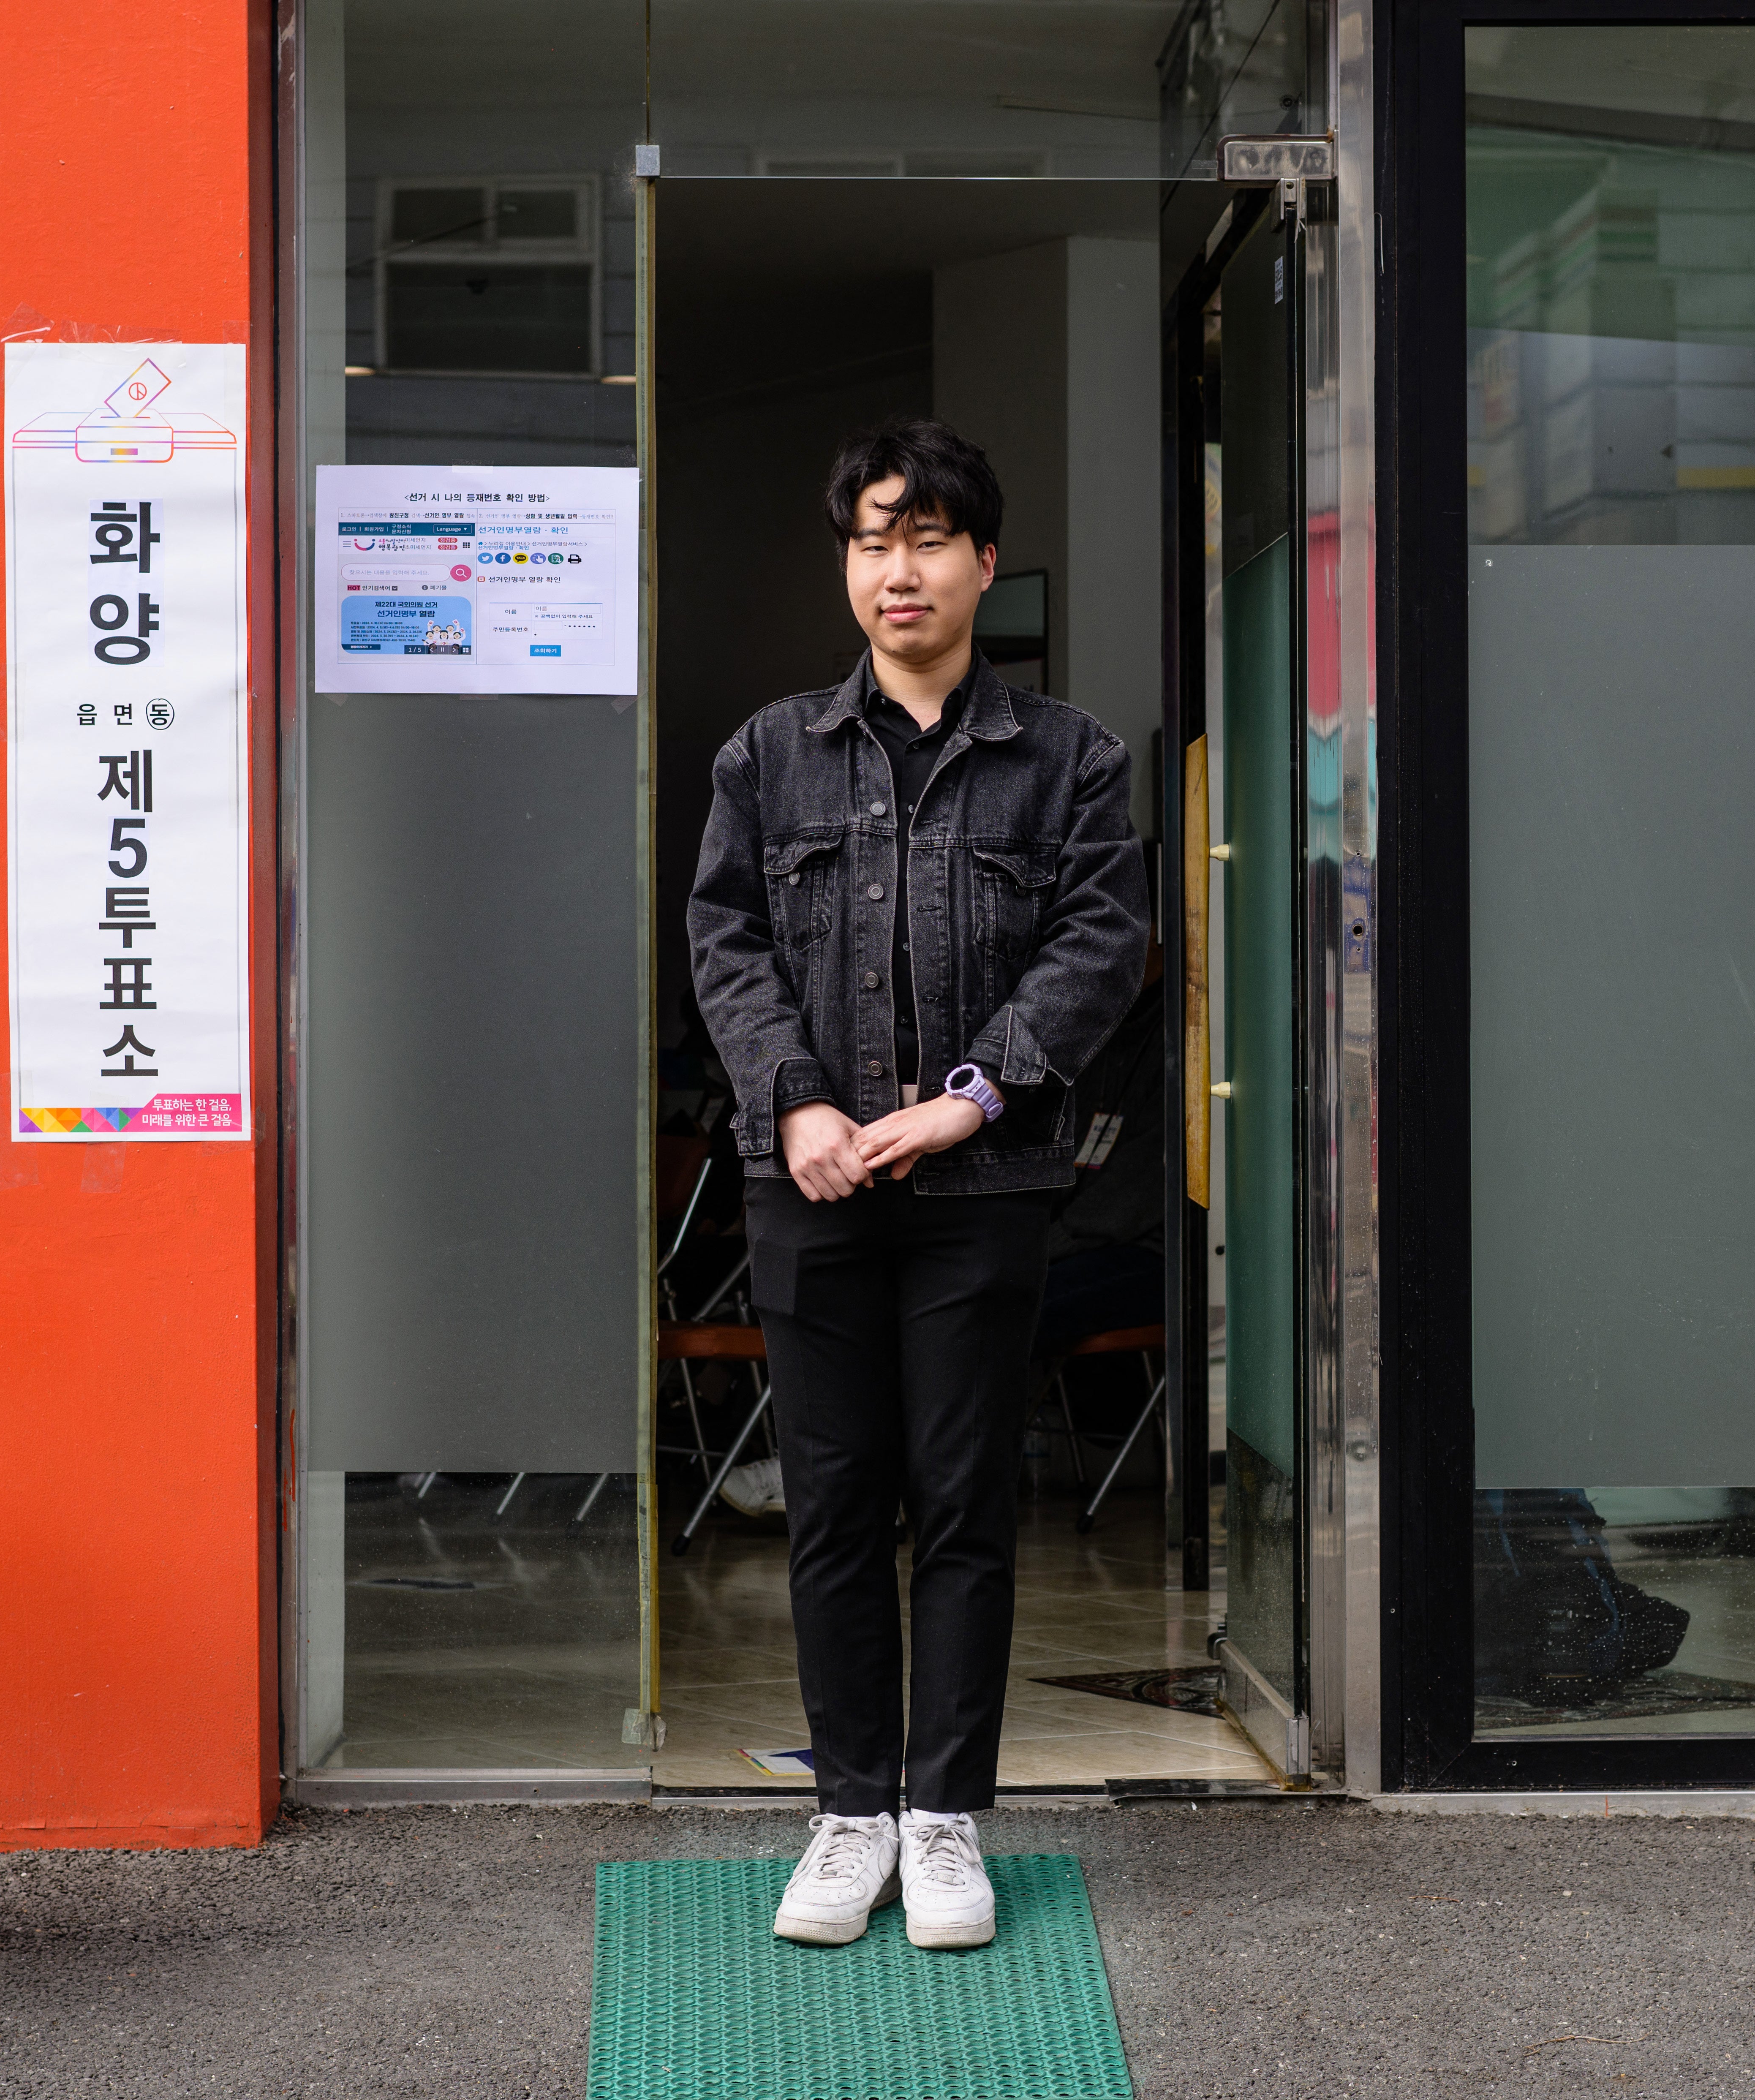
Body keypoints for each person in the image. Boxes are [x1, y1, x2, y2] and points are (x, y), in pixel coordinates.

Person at [688, 418, 1148, 1949]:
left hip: (981, 1186)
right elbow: (726, 943)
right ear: (848, 566)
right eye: (874, 540)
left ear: (982, 564)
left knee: (959, 1503)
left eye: (928, 538)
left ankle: (943, 1817)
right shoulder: (767, 753)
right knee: (830, 1505)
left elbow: (1102, 944)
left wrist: (971, 1099)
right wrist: (799, 1101)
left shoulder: (1068, 756)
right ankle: (847, 1812)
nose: (900, 569)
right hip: (804, 1180)